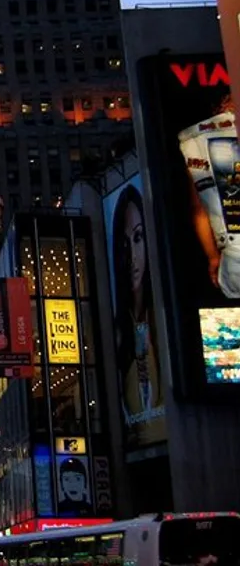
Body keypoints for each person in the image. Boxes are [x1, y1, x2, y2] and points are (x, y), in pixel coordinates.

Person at [111, 183, 164, 447]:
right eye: (123, 243)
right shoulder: (118, 328)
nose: (131, 255)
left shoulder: (165, 317)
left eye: (138, 238)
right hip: (135, 446)